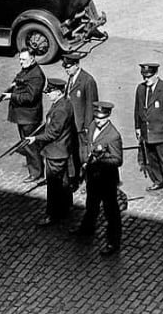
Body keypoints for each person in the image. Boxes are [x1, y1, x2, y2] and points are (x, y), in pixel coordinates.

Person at [69, 101, 123, 255]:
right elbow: (87, 143)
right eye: (96, 117)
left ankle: (113, 242)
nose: (98, 120)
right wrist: (86, 157)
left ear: (108, 117)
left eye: (102, 118)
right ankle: (87, 228)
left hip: (106, 178)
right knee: (91, 204)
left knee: (110, 210)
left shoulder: (113, 136)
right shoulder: (93, 126)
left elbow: (118, 160)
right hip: (92, 176)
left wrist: (100, 159)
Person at [26, 79, 80, 227]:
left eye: (50, 92)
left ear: (58, 92)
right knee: (63, 181)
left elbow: (53, 133)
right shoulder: (66, 103)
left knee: (53, 184)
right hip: (62, 150)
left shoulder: (60, 109)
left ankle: (51, 214)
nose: (48, 95)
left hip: (56, 152)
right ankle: (67, 207)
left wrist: (35, 138)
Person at [134, 63, 163, 199]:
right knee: (152, 159)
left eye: (148, 77)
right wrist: (137, 127)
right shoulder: (141, 89)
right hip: (147, 132)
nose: (146, 79)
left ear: (156, 75)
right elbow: (138, 109)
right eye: (144, 76)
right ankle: (158, 181)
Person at [4, 47, 45, 183]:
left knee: (30, 145)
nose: (20, 62)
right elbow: (21, 79)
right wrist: (14, 84)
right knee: (26, 143)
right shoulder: (28, 69)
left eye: (23, 59)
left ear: (32, 59)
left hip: (29, 117)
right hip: (24, 116)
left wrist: (12, 96)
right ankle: (34, 168)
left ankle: (36, 172)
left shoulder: (36, 75)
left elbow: (31, 97)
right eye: (20, 59)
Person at [62, 53, 99, 164]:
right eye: (65, 67)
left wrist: (88, 125)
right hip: (70, 123)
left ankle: (84, 172)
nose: (66, 70)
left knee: (82, 150)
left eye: (68, 67)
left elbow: (91, 105)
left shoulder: (87, 80)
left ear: (76, 65)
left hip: (81, 125)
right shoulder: (71, 78)